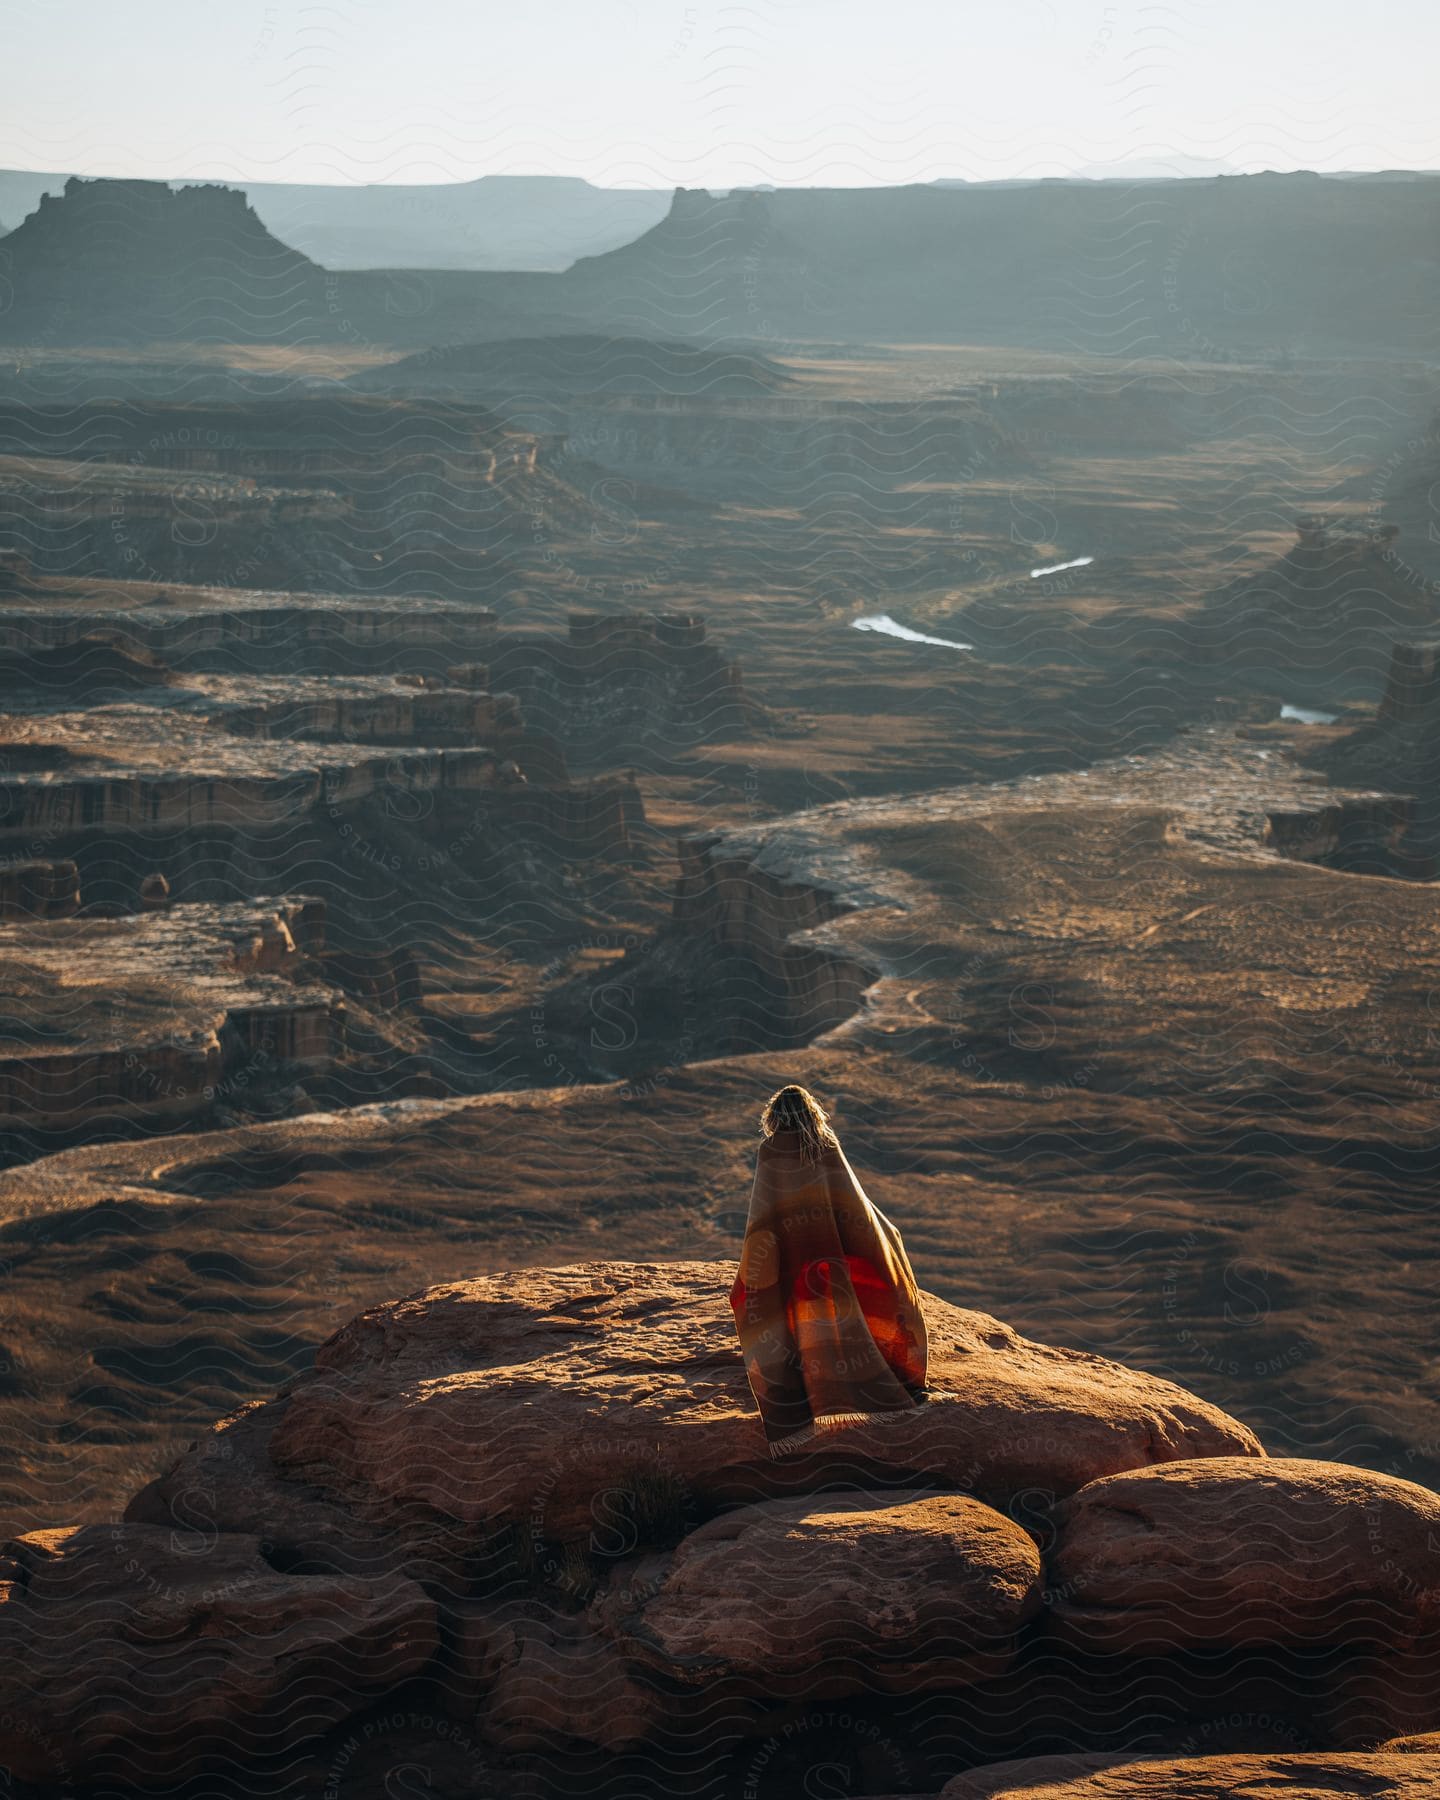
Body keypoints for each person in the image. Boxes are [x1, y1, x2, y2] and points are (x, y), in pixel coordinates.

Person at [729, 1083, 929, 1455]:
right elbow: (852, 1201)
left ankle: (802, 1393)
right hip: (834, 1252)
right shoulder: (827, 1144)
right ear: (812, 1113)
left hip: (791, 1252)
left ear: (774, 1116)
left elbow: (763, 1215)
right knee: (870, 1287)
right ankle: (887, 1378)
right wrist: (878, 1235)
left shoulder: (770, 1151)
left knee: (772, 1307)